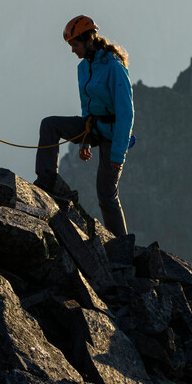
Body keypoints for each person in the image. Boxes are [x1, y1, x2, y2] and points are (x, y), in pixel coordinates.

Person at [35, 14, 133, 236]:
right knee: (49, 125)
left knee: (106, 194)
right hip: (93, 127)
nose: (72, 50)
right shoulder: (83, 68)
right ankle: (47, 179)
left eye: (75, 44)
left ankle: (122, 245)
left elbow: (126, 114)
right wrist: (84, 141)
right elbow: (86, 106)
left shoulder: (114, 67)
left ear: (89, 40)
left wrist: (118, 156)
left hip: (112, 134)